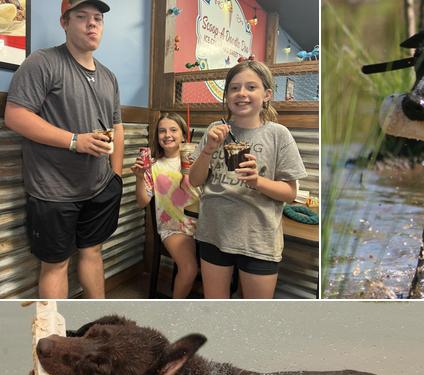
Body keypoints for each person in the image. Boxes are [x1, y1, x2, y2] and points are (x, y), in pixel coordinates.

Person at [4, 0, 122, 298]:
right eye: (81, 17)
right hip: (52, 190)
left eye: (97, 18)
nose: (92, 24)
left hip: (99, 186)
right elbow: (15, 115)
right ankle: (55, 337)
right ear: (64, 22)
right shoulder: (42, 62)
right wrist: (75, 140)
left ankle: (102, 323)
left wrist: (116, 177)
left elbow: (117, 126)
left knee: (93, 251)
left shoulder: (109, 76)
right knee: (55, 264)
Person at [188, 60, 306, 299]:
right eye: (234, 88)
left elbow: (290, 192)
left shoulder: (278, 135)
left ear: (267, 94)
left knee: (255, 315)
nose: (241, 93)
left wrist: (257, 181)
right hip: (214, 232)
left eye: (251, 87)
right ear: (227, 95)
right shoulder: (215, 129)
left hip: (258, 239)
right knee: (216, 308)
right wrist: (208, 149)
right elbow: (194, 180)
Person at [132, 113, 199, 298]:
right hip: (173, 227)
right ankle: (175, 309)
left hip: (203, 225)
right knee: (189, 269)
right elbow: (142, 201)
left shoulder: (198, 161)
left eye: (173, 130)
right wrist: (139, 177)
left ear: (184, 135)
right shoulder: (153, 166)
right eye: (162, 131)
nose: (167, 135)